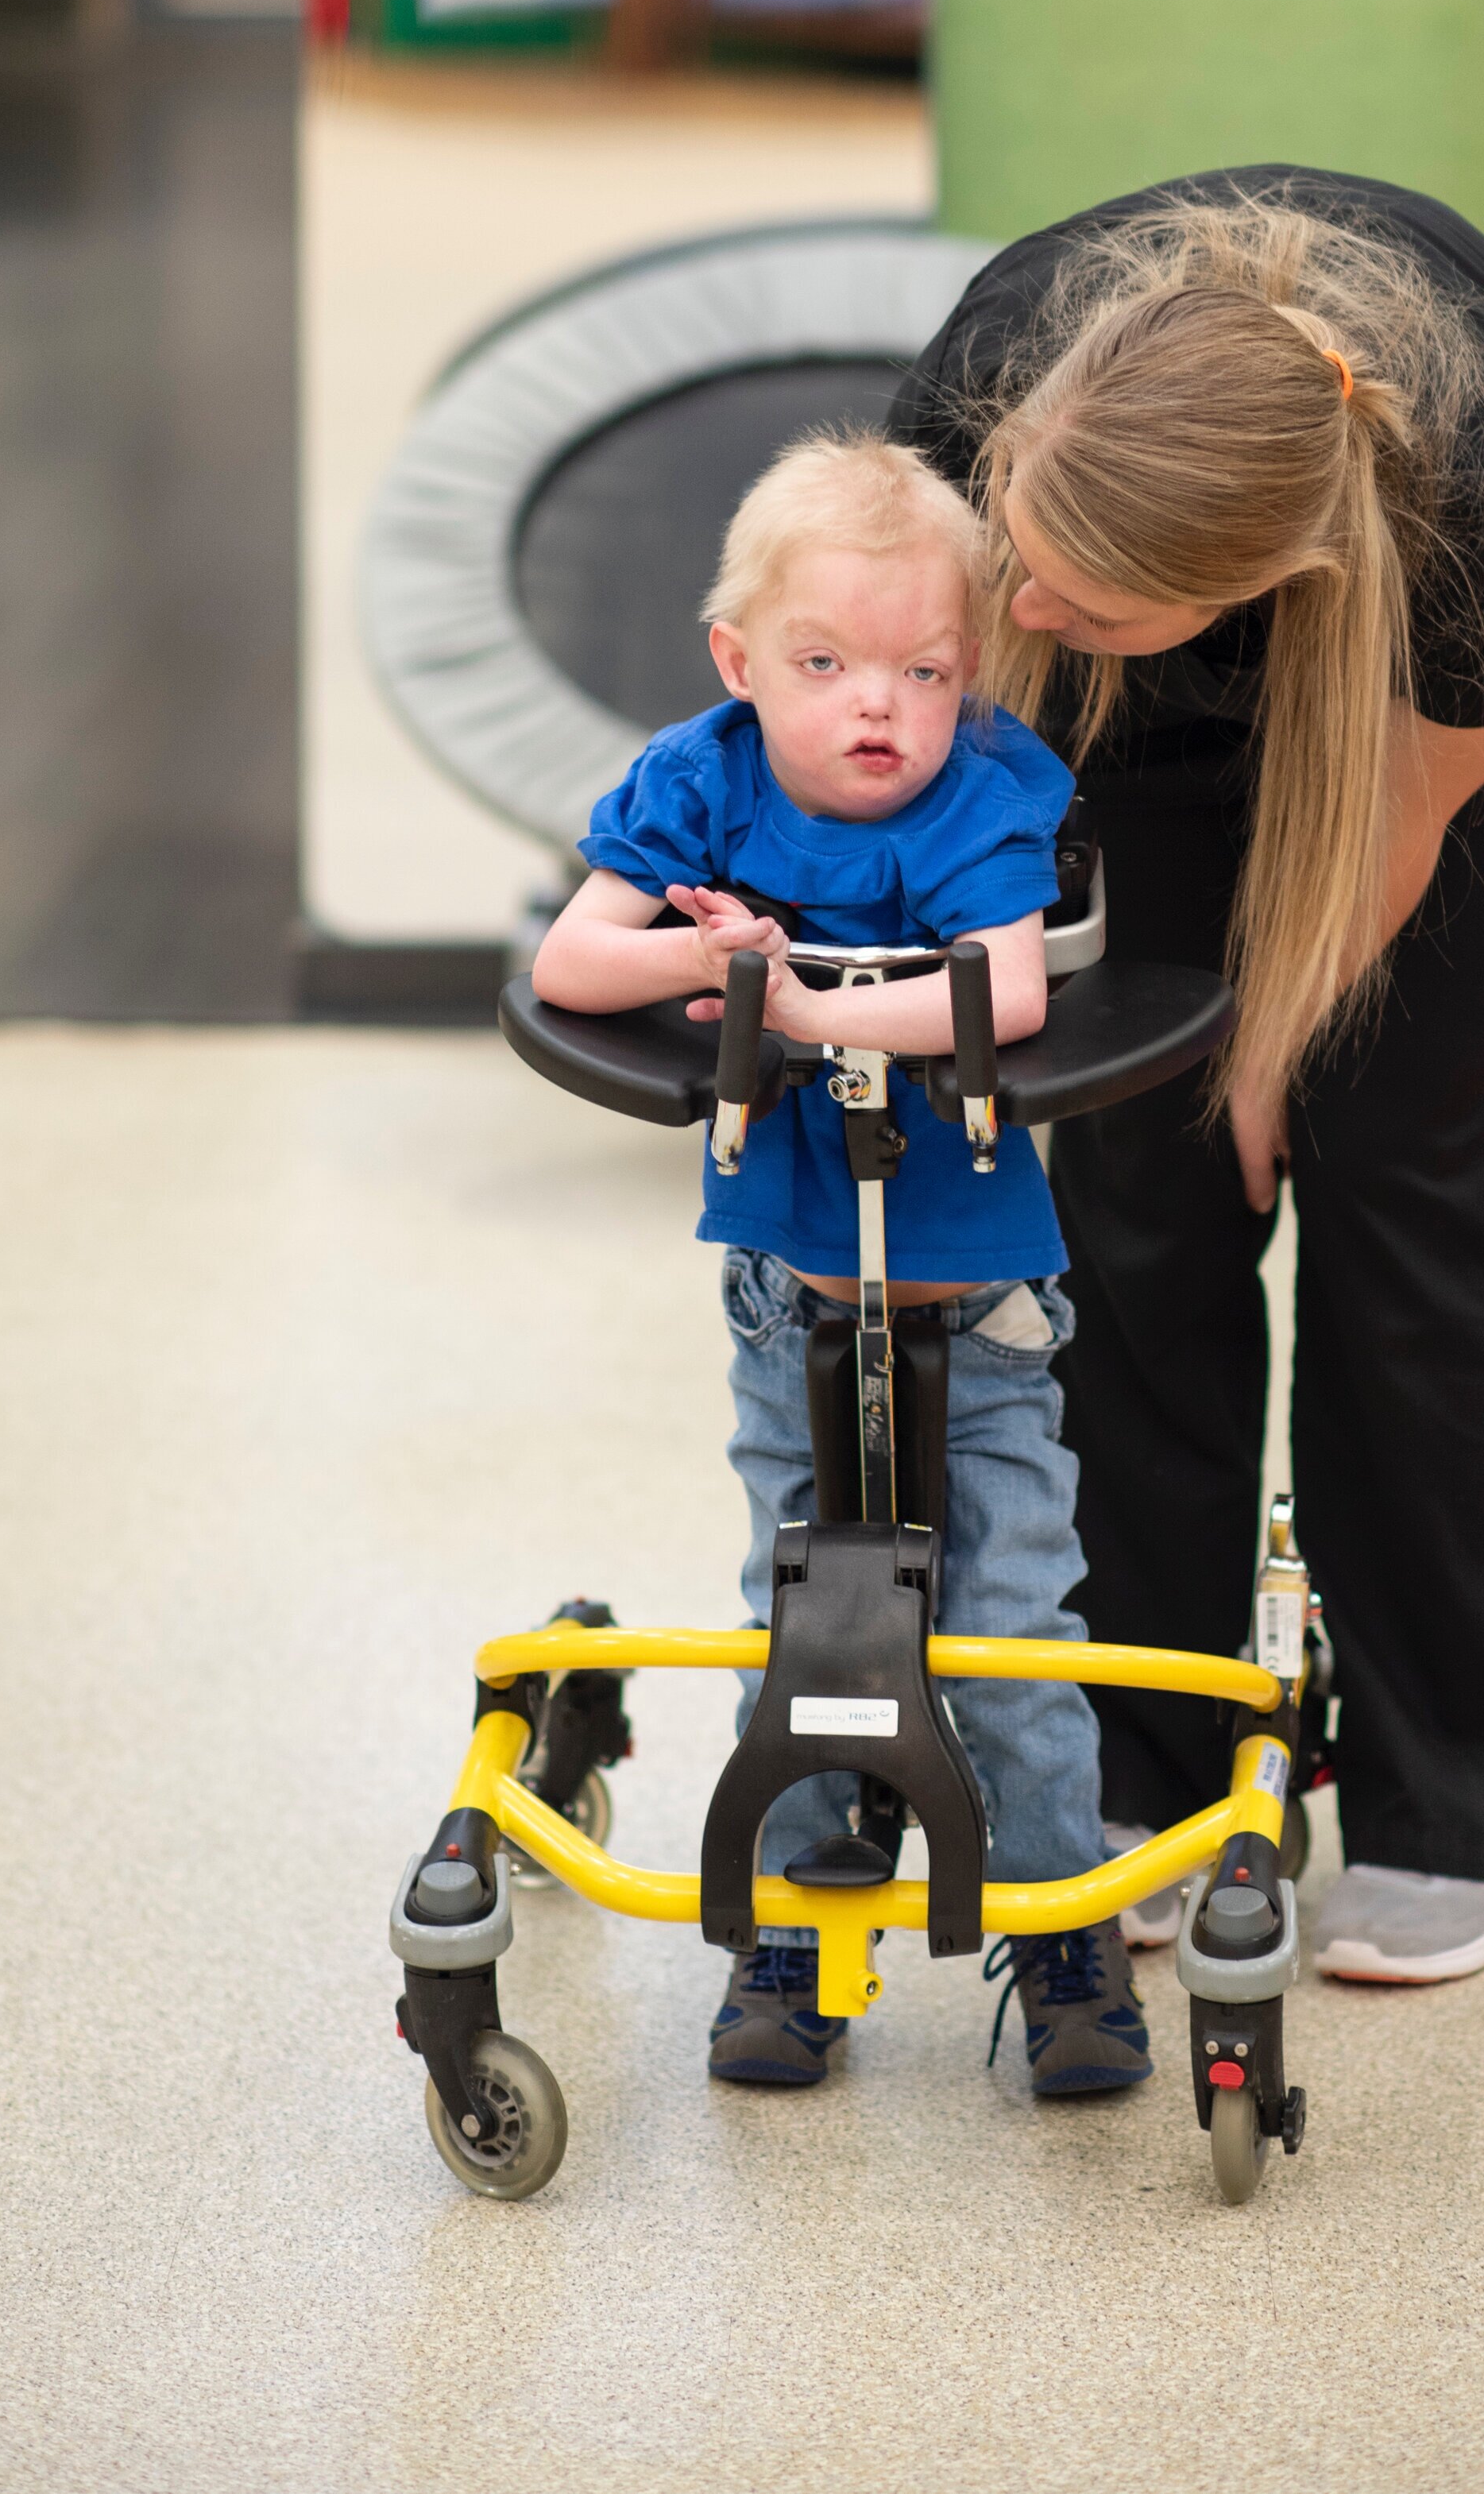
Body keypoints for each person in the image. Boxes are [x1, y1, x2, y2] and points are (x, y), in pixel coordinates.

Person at [888, 169, 1484, 1986]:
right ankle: (1140, 1773)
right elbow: (905, 722)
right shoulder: (988, 388)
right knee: (1135, 1185)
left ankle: (1452, 1806)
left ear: (1254, 588)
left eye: (1080, 586)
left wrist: (1273, 1058)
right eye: (1019, 537)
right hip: (1124, 733)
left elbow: (1380, 829)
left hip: (1427, 729)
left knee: (1393, 1169)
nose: (1026, 594)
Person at [531, 430, 1152, 2091]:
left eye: (920, 668)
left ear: (969, 673)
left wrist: (792, 1005)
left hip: (982, 1299)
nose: (874, 704)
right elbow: (575, 957)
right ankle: (798, 1927)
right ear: (741, 662)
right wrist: (693, 946)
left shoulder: (982, 790)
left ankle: (1062, 1927)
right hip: (785, 1286)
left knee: (1012, 1615)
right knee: (800, 1602)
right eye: (823, 664)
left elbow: (1000, 998)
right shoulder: (706, 775)